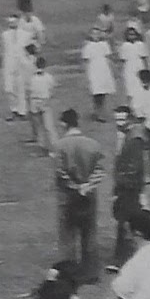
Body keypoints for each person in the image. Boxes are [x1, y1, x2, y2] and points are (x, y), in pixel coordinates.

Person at [52, 110, 104, 285]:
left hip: (68, 197)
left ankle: (69, 271)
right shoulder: (93, 144)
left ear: (64, 124)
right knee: (89, 232)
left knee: (67, 234)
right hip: (89, 196)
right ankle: (91, 272)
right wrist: (87, 186)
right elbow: (100, 170)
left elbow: (60, 173)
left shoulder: (60, 146)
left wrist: (76, 187)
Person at [109, 108, 147, 270]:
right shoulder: (127, 136)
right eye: (116, 120)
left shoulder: (134, 139)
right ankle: (126, 256)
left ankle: (123, 259)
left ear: (130, 119)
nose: (118, 124)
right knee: (126, 221)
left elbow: (133, 167)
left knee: (125, 222)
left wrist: (121, 185)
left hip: (129, 188)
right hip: (127, 186)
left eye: (121, 120)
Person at [80, 29, 115, 123]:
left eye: (97, 33)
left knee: (103, 92)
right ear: (90, 35)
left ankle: (102, 112)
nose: (96, 35)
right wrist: (86, 74)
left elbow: (108, 58)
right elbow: (86, 61)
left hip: (103, 69)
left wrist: (112, 70)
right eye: (93, 33)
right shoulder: (88, 46)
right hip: (93, 70)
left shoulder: (104, 44)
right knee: (96, 92)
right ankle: (97, 112)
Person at [27, 58, 57, 153]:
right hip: (42, 101)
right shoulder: (48, 77)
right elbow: (52, 90)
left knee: (42, 126)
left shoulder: (32, 78)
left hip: (38, 102)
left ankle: (50, 147)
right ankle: (48, 147)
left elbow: (29, 91)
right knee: (47, 126)